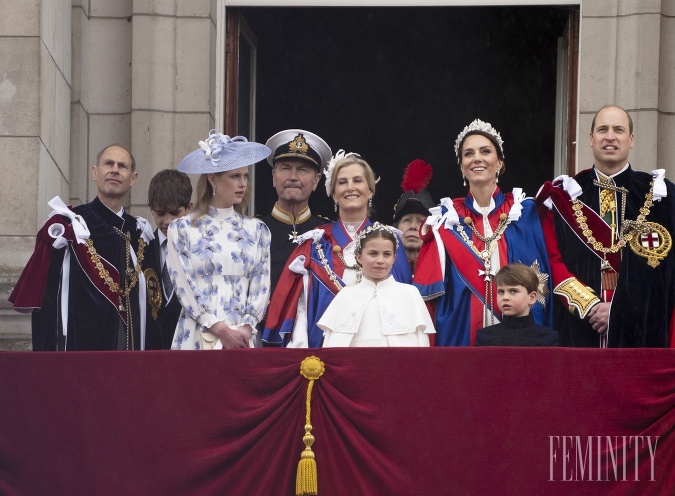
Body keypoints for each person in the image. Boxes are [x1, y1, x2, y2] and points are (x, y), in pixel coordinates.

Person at [536, 105, 675, 347]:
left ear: (631, 140)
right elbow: (552, 262)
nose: (610, 136)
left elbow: (665, 272)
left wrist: (620, 310)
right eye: (602, 129)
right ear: (591, 139)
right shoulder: (563, 197)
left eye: (618, 130)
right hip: (579, 329)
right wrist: (590, 306)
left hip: (641, 333)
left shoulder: (662, 196)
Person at [414, 118, 553, 346]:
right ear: (461, 166)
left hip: (518, 337)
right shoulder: (446, 218)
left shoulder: (523, 211)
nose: (476, 158)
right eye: (468, 154)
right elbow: (428, 294)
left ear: (499, 162)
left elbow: (541, 278)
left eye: (485, 151)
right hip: (460, 331)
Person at [9, 144, 154, 350]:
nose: (114, 169)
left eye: (122, 166)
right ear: (95, 173)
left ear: (132, 178)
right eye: (108, 163)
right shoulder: (70, 226)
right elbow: (50, 300)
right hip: (80, 356)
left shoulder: (140, 234)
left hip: (131, 356)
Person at [263, 150, 413, 348]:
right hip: (325, 354)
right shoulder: (314, 244)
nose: (350, 188)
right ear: (333, 194)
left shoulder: (391, 241)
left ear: (370, 189)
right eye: (342, 182)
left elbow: (404, 306)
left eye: (357, 180)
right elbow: (299, 309)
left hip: (380, 353)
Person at [168, 132, 272, 350]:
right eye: (234, 176)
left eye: (245, 176)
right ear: (212, 178)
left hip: (243, 338)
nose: (242, 183)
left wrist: (245, 328)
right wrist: (220, 329)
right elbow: (183, 284)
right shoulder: (183, 228)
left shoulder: (257, 230)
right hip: (198, 333)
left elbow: (261, 286)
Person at [318, 222, 435, 347]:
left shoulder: (410, 293)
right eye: (373, 253)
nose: (380, 260)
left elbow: (421, 347)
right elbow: (332, 349)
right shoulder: (345, 295)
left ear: (394, 258)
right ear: (359, 257)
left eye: (387, 254)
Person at [262, 129, 332, 296]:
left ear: (316, 181)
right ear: (273, 176)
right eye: (285, 168)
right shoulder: (256, 229)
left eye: (302, 170)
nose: (293, 177)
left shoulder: (327, 232)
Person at [144, 169, 193, 350]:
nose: (167, 221)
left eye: (174, 213)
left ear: (189, 208)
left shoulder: (200, 250)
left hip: (189, 347)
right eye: (160, 213)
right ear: (150, 208)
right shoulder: (142, 247)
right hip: (150, 347)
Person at [475, 263, 558, 346]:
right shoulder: (485, 336)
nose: (505, 297)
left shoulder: (547, 338)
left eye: (513, 291)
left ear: (532, 298)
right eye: (501, 292)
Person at [392, 158, 435, 273]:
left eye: (421, 221)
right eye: (406, 220)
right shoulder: (383, 268)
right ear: (395, 228)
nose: (413, 226)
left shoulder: (442, 270)